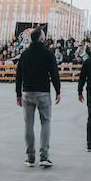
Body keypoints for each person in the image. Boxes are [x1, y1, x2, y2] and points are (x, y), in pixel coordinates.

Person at [15, 27, 61, 167]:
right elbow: (54, 73)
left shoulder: (25, 54)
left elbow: (19, 75)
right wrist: (58, 91)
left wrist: (18, 93)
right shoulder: (48, 53)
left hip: (27, 92)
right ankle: (44, 156)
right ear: (42, 39)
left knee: (28, 124)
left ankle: (30, 157)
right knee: (45, 123)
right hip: (43, 92)